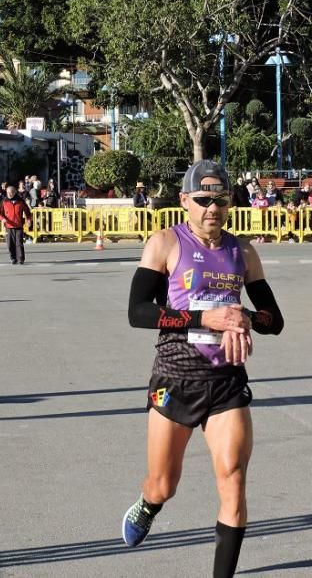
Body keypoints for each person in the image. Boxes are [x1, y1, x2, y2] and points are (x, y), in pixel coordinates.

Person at [121, 160, 284, 578]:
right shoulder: (164, 243)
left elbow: (274, 320)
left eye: (221, 200)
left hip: (226, 380)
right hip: (174, 379)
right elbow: (138, 312)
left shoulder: (242, 251)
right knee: (164, 484)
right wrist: (203, 318)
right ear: (185, 201)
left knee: (232, 479)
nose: (213, 208)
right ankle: (149, 504)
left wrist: (244, 317)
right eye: (204, 200)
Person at [0, 185, 33, 264]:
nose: (9, 194)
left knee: (19, 243)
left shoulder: (20, 201)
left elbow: (27, 212)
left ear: (15, 192)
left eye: (11, 192)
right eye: (7, 193)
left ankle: (20, 259)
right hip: (9, 225)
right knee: (10, 244)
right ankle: (13, 258)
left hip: (18, 225)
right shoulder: (4, 201)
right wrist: (2, 219)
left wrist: (29, 220)